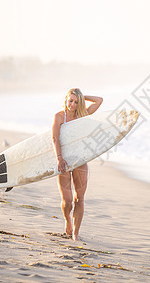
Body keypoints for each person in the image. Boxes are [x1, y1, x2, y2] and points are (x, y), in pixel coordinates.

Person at [51, 88, 103, 241]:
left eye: (76, 101)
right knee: (67, 201)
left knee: (79, 199)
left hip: (80, 160)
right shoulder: (59, 117)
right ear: (66, 100)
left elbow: (99, 100)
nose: (72, 104)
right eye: (70, 101)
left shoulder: (83, 115)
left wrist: (82, 97)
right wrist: (59, 158)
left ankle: (75, 233)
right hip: (64, 161)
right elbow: (55, 139)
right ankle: (67, 221)